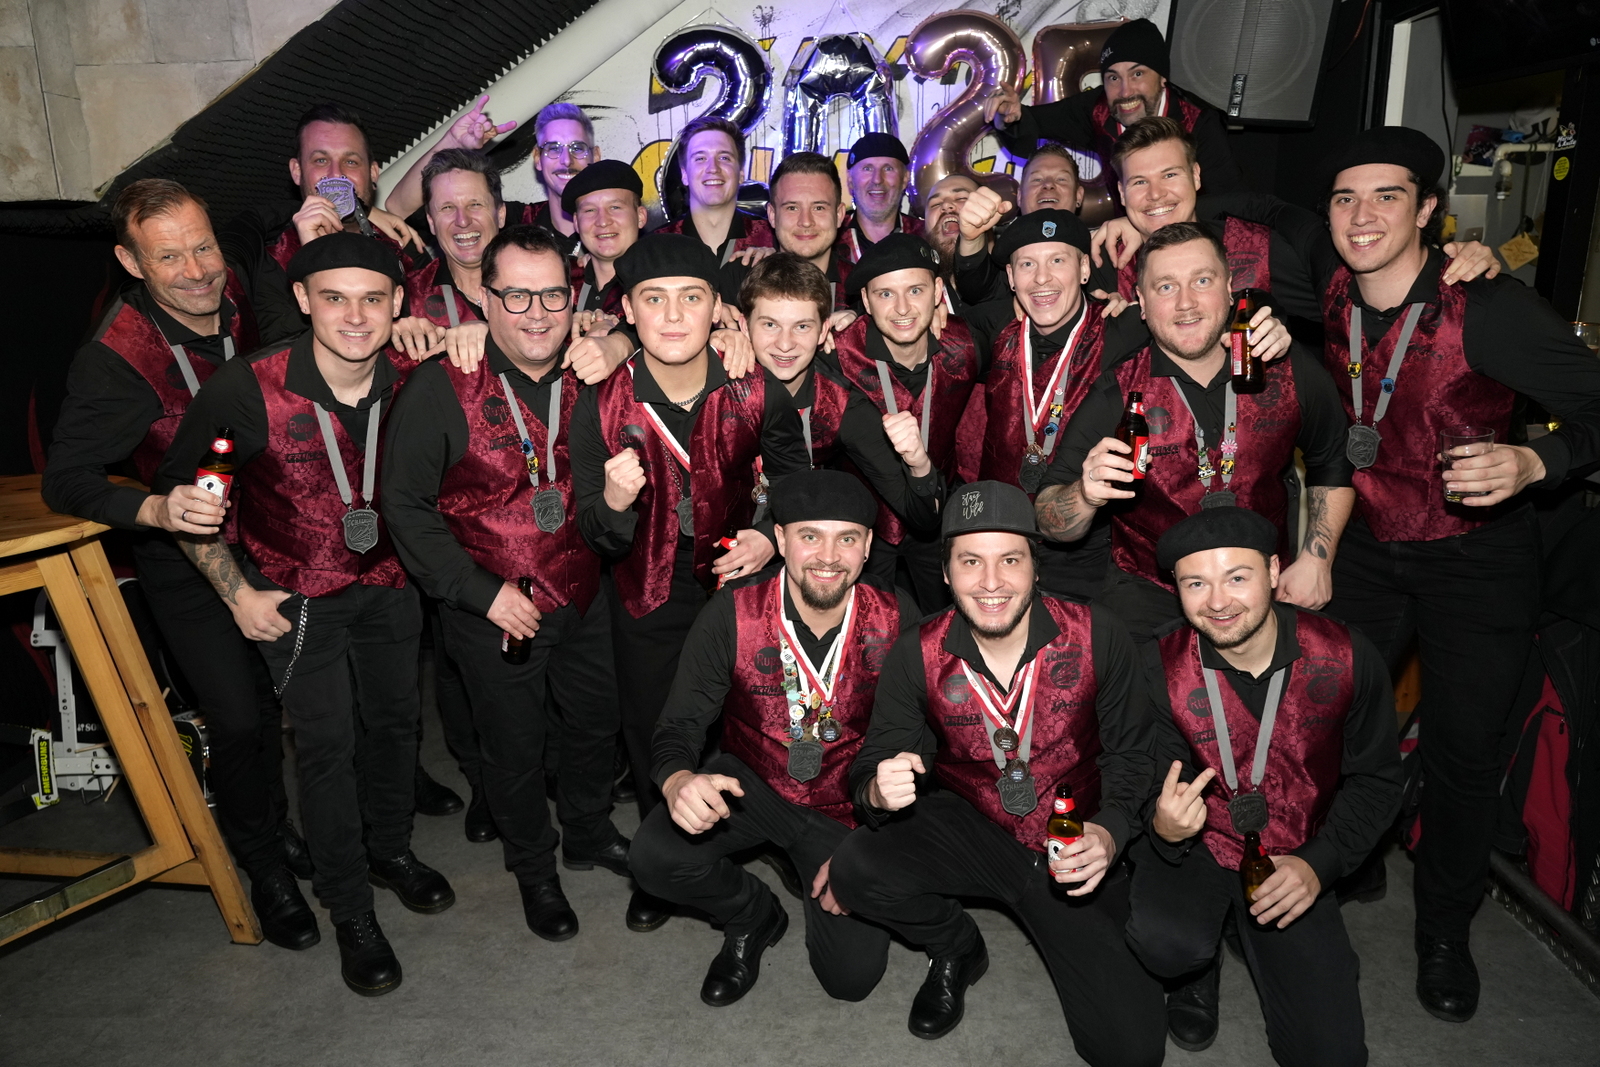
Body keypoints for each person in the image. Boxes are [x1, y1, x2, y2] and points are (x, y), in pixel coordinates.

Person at [1312, 126, 1600, 1023]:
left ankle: (1443, 931)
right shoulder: (1330, 288)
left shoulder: (1489, 306)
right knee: (1329, 721)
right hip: (1369, 545)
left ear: (1430, 209)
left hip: (1477, 558)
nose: (1363, 216)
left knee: (1462, 755)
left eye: (1387, 196)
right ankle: (1352, 859)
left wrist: (1539, 461)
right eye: (1346, 198)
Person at [155, 233, 454, 997]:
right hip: (297, 592)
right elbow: (196, 500)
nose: (355, 316)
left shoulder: (417, 375)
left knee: (396, 726)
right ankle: (350, 908)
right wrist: (237, 593)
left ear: (398, 303)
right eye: (334, 298)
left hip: (393, 581)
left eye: (373, 299)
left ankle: (390, 848)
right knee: (327, 745)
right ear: (301, 300)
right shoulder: (245, 390)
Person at [41, 178, 315, 950]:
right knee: (235, 717)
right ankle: (262, 865)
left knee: (272, 703)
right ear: (131, 262)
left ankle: (276, 826)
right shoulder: (115, 358)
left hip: (271, 532)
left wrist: (326, 204)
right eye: (169, 258)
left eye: (203, 247)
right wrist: (156, 511)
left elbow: (263, 214)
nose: (197, 270)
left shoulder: (239, 282)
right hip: (183, 556)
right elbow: (67, 479)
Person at [829, 481, 1165, 1065]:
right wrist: (876, 791)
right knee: (857, 868)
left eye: (1010, 559)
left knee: (1129, 1052)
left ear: (1036, 566)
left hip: (1074, 843)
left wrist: (1111, 832)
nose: (991, 582)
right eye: (971, 562)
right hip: (976, 830)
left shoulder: (1097, 633)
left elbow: (1134, 756)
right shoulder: (917, 651)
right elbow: (870, 764)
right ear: (945, 572)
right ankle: (957, 946)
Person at [382, 224, 632, 941]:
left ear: (572, 298)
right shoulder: (441, 385)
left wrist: (620, 340)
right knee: (514, 748)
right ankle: (534, 868)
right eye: (516, 295)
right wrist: (479, 592)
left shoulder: (593, 371)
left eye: (552, 294)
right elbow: (404, 506)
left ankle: (587, 829)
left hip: (585, 590)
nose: (537, 312)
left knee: (595, 725)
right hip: (494, 607)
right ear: (485, 301)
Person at [570, 233, 813, 926]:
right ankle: (667, 862)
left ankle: (776, 835)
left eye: (691, 298)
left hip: (739, 579)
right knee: (652, 724)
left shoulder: (754, 386)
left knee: (758, 719)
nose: (674, 316)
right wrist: (615, 504)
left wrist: (768, 532)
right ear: (628, 312)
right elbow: (593, 533)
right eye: (654, 300)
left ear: (717, 310)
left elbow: (796, 482)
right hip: (646, 585)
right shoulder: (599, 403)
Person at [631, 470, 917, 1006]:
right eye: (810, 535)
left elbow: (916, 747)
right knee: (653, 856)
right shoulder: (732, 612)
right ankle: (752, 915)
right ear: (781, 539)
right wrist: (676, 781)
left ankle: (822, 865)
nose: (828, 556)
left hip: (849, 807)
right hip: (753, 786)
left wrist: (871, 854)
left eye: (846, 538)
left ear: (867, 547)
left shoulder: (898, 617)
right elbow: (679, 725)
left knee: (850, 980)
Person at [1127, 507, 1402, 1064]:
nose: (1218, 601)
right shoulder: (1155, 664)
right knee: (1167, 944)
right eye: (1196, 583)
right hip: (1197, 849)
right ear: (1175, 588)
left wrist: (1319, 865)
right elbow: (1137, 776)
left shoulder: (1347, 656)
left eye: (1237, 577)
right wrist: (1161, 823)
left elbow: (1377, 782)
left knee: (1332, 1055)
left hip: (1294, 852)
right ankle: (1197, 968)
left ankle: (1276, 947)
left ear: (1274, 571)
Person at [1034, 221, 1351, 641]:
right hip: (1150, 600)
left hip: (1264, 590)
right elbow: (1048, 516)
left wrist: (1317, 560)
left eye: (1202, 281)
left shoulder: (1286, 367)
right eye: (1166, 287)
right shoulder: (1116, 392)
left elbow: (1331, 460)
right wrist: (1084, 495)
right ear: (1141, 303)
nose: (1185, 303)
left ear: (1230, 289)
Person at [960, 209, 1150, 598]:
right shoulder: (992, 327)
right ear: (1011, 277)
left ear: (1084, 269)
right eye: (1027, 264)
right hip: (997, 538)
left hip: (1083, 549)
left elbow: (1201, 314)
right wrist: (844, 322)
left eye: (1058, 261)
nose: (1042, 278)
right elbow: (914, 332)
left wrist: (1267, 319)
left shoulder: (1125, 328)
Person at [829, 233, 997, 609]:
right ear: (866, 301)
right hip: (860, 523)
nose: (903, 307)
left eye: (915, 290)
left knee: (948, 623)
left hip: (940, 512)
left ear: (938, 291)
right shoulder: (837, 355)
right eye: (886, 294)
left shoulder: (967, 344)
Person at [739, 253, 943, 528]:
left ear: (823, 331)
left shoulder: (841, 403)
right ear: (744, 326)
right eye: (770, 325)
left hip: (793, 527)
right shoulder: (719, 375)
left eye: (802, 326)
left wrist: (919, 463)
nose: (785, 344)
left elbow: (923, 518)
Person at [222, 103, 425, 343]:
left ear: (372, 173)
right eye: (320, 160)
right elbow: (278, 350)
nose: (335, 174)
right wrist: (315, 254)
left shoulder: (401, 246)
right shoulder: (270, 257)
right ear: (297, 171)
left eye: (351, 162)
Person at [984, 18, 1244, 203]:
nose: (1125, 91)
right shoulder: (1096, 109)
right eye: (1113, 77)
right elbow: (1033, 122)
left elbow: (1229, 204)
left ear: (1162, 77)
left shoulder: (1199, 122)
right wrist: (1008, 117)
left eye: (1137, 74)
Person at [384, 98, 591, 258]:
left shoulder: (609, 226)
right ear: (537, 158)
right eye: (553, 148)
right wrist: (453, 142)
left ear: (596, 156)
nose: (566, 160)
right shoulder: (521, 221)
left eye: (578, 148)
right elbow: (398, 207)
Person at [654, 115, 776, 263]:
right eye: (700, 158)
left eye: (724, 158)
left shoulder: (774, 242)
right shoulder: (654, 248)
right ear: (684, 175)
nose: (713, 168)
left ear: (741, 173)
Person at [564, 159, 649, 316]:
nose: (603, 221)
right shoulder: (563, 283)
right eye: (590, 210)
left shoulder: (662, 284)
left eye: (615, 207)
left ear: (640, 217)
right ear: (576, 223)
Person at [840, 132, 924, 262]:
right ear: (850, 179)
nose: (877, 179)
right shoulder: (831, 237)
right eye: (867, 169)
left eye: (888, 169)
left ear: (905, 179)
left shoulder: (926, 236)